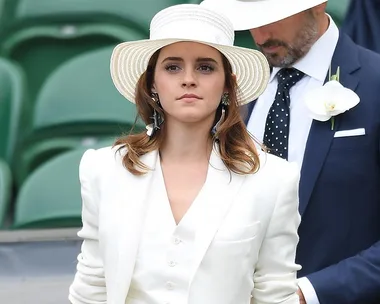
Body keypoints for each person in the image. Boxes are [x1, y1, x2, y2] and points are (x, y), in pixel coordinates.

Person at [68, 3, 302, 304]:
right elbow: (92, 288)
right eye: (173, 67)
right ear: (153, 81)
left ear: (227, 84)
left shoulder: (273, 179)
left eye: (205, 67)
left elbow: (276, 295)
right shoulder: (103, 169)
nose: (188, 79)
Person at [200, 0, 380, 303]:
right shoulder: (231, 91)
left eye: (273, 17)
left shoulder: (375, 83)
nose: (260, 34)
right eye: (249, 20)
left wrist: (307, 293)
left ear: (319, 5)